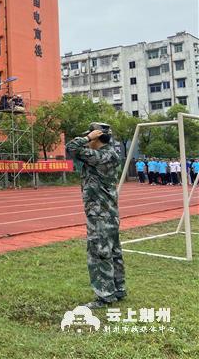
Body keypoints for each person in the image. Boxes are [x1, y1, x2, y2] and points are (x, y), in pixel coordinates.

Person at [66, 122, 126, 309]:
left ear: (97, 137)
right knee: (113, 251)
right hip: (109, 212)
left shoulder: (99, 155)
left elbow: (71, 147)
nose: (88, 141)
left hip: (99, 213)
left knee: (99, 253)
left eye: (90, 137)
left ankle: (105, 295)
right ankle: (118, 289)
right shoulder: (111, 154)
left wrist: (87, 138)